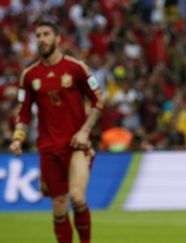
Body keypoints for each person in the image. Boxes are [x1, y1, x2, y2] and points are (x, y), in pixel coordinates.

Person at [9, 20, 104, 243]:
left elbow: (98, 98)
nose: (41, 39)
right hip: (49, 147)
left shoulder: (76, 67)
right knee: (59, 206)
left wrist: (85, 131)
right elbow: (23, 112)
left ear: (57, 39)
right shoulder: (29, 76)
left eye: (46, 34)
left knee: (78, 198)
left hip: (77, 144)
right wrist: (17, 138)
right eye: (38, 35)